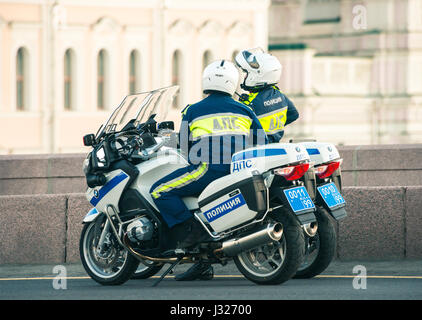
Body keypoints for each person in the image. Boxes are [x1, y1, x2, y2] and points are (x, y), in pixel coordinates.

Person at [149, 60, 267, 280]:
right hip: (240, 173)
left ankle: (193, 234)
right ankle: (202, 262)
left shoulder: (194, 110)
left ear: (206, 80)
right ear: (233, 83)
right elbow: (262, 142)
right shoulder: (245, 109)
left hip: (208, 169)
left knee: (159, 191)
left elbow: (184, 147)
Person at [234, 49, 299, 143]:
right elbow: (293, 114)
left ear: (258, 75)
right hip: (275, 145)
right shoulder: (279, 95)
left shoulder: (250, 104)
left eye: (246, 73)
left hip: (256, 149)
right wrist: (273, 129)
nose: (244, 77)